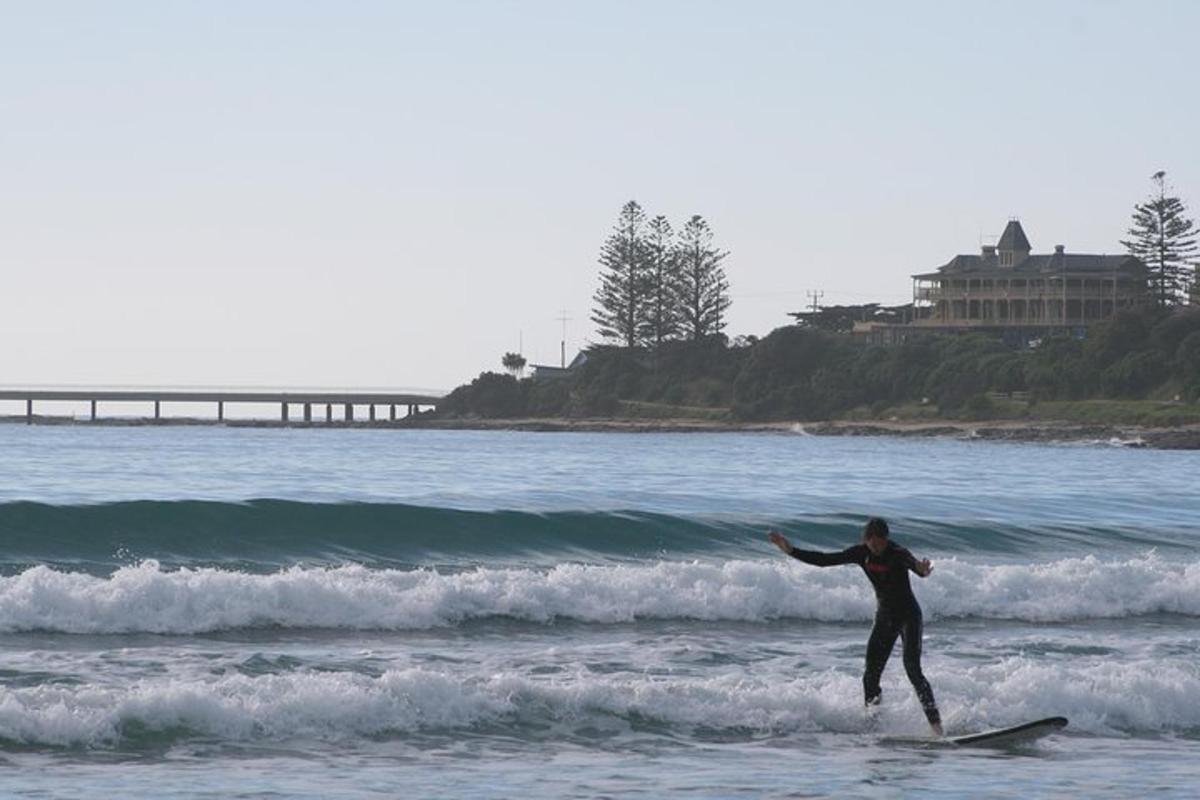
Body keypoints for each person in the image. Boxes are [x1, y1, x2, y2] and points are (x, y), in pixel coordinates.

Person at [768, 517, 943, 736]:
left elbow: (916, 567)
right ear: (866, 540)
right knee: (870, 675)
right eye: (872, 544)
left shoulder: (898, 552)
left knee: (913, 670)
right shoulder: (861, 553)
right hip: (885, 617)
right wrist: (791, 550)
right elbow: (824, 560)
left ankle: (937, 729)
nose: (877, 548)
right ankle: (874, 725)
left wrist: (923, 569)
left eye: (880, 543)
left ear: (886, 540)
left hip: (909, 616)